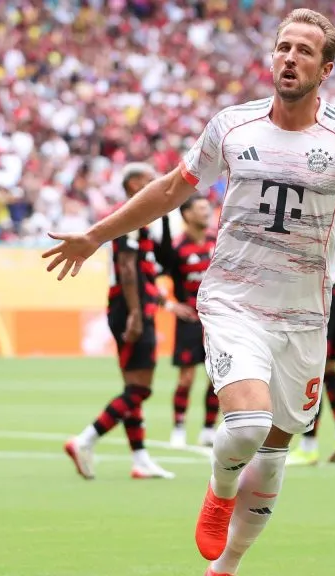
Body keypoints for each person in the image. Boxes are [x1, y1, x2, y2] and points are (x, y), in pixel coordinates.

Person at [41, 9, 335, 576]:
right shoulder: (232, 127)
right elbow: (170, 189)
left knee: (271, 456)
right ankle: (218, 491)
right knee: (244, 426)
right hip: (234, 301)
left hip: (303, 316)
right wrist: (96, 235)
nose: (289, 58)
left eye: (304, 52)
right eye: (282, 47)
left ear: (326, 68)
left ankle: (226, 568)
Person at [62, 163, 195, 481]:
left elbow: (147, 268)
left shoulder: (143, 220)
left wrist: (164, 303)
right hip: (130, 308)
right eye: (150, 181)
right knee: (140, 389)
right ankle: (84, 440)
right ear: (135, 184)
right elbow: (126, 266)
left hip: (135, 305)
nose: (156, 185)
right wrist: (136, 313)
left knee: (133, 386)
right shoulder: (130, 217)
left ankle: (140, 459)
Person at [286, 250, 335, 466]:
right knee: (330, 370)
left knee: (312, 371)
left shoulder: (309, 226)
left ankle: (309, 447)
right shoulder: (334, 221)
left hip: (329, 302)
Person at [164, 195, 220, 448]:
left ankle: (208, 428)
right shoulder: (176, 247)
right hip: (190, 320)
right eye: (200, 209)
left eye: (207, 208)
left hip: (217, 319)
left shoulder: (216, 242)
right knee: (186, 378)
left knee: (217, 375)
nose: (206, 212)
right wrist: (170, 305)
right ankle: (178, 428)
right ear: (186, 214)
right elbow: (156, 277)